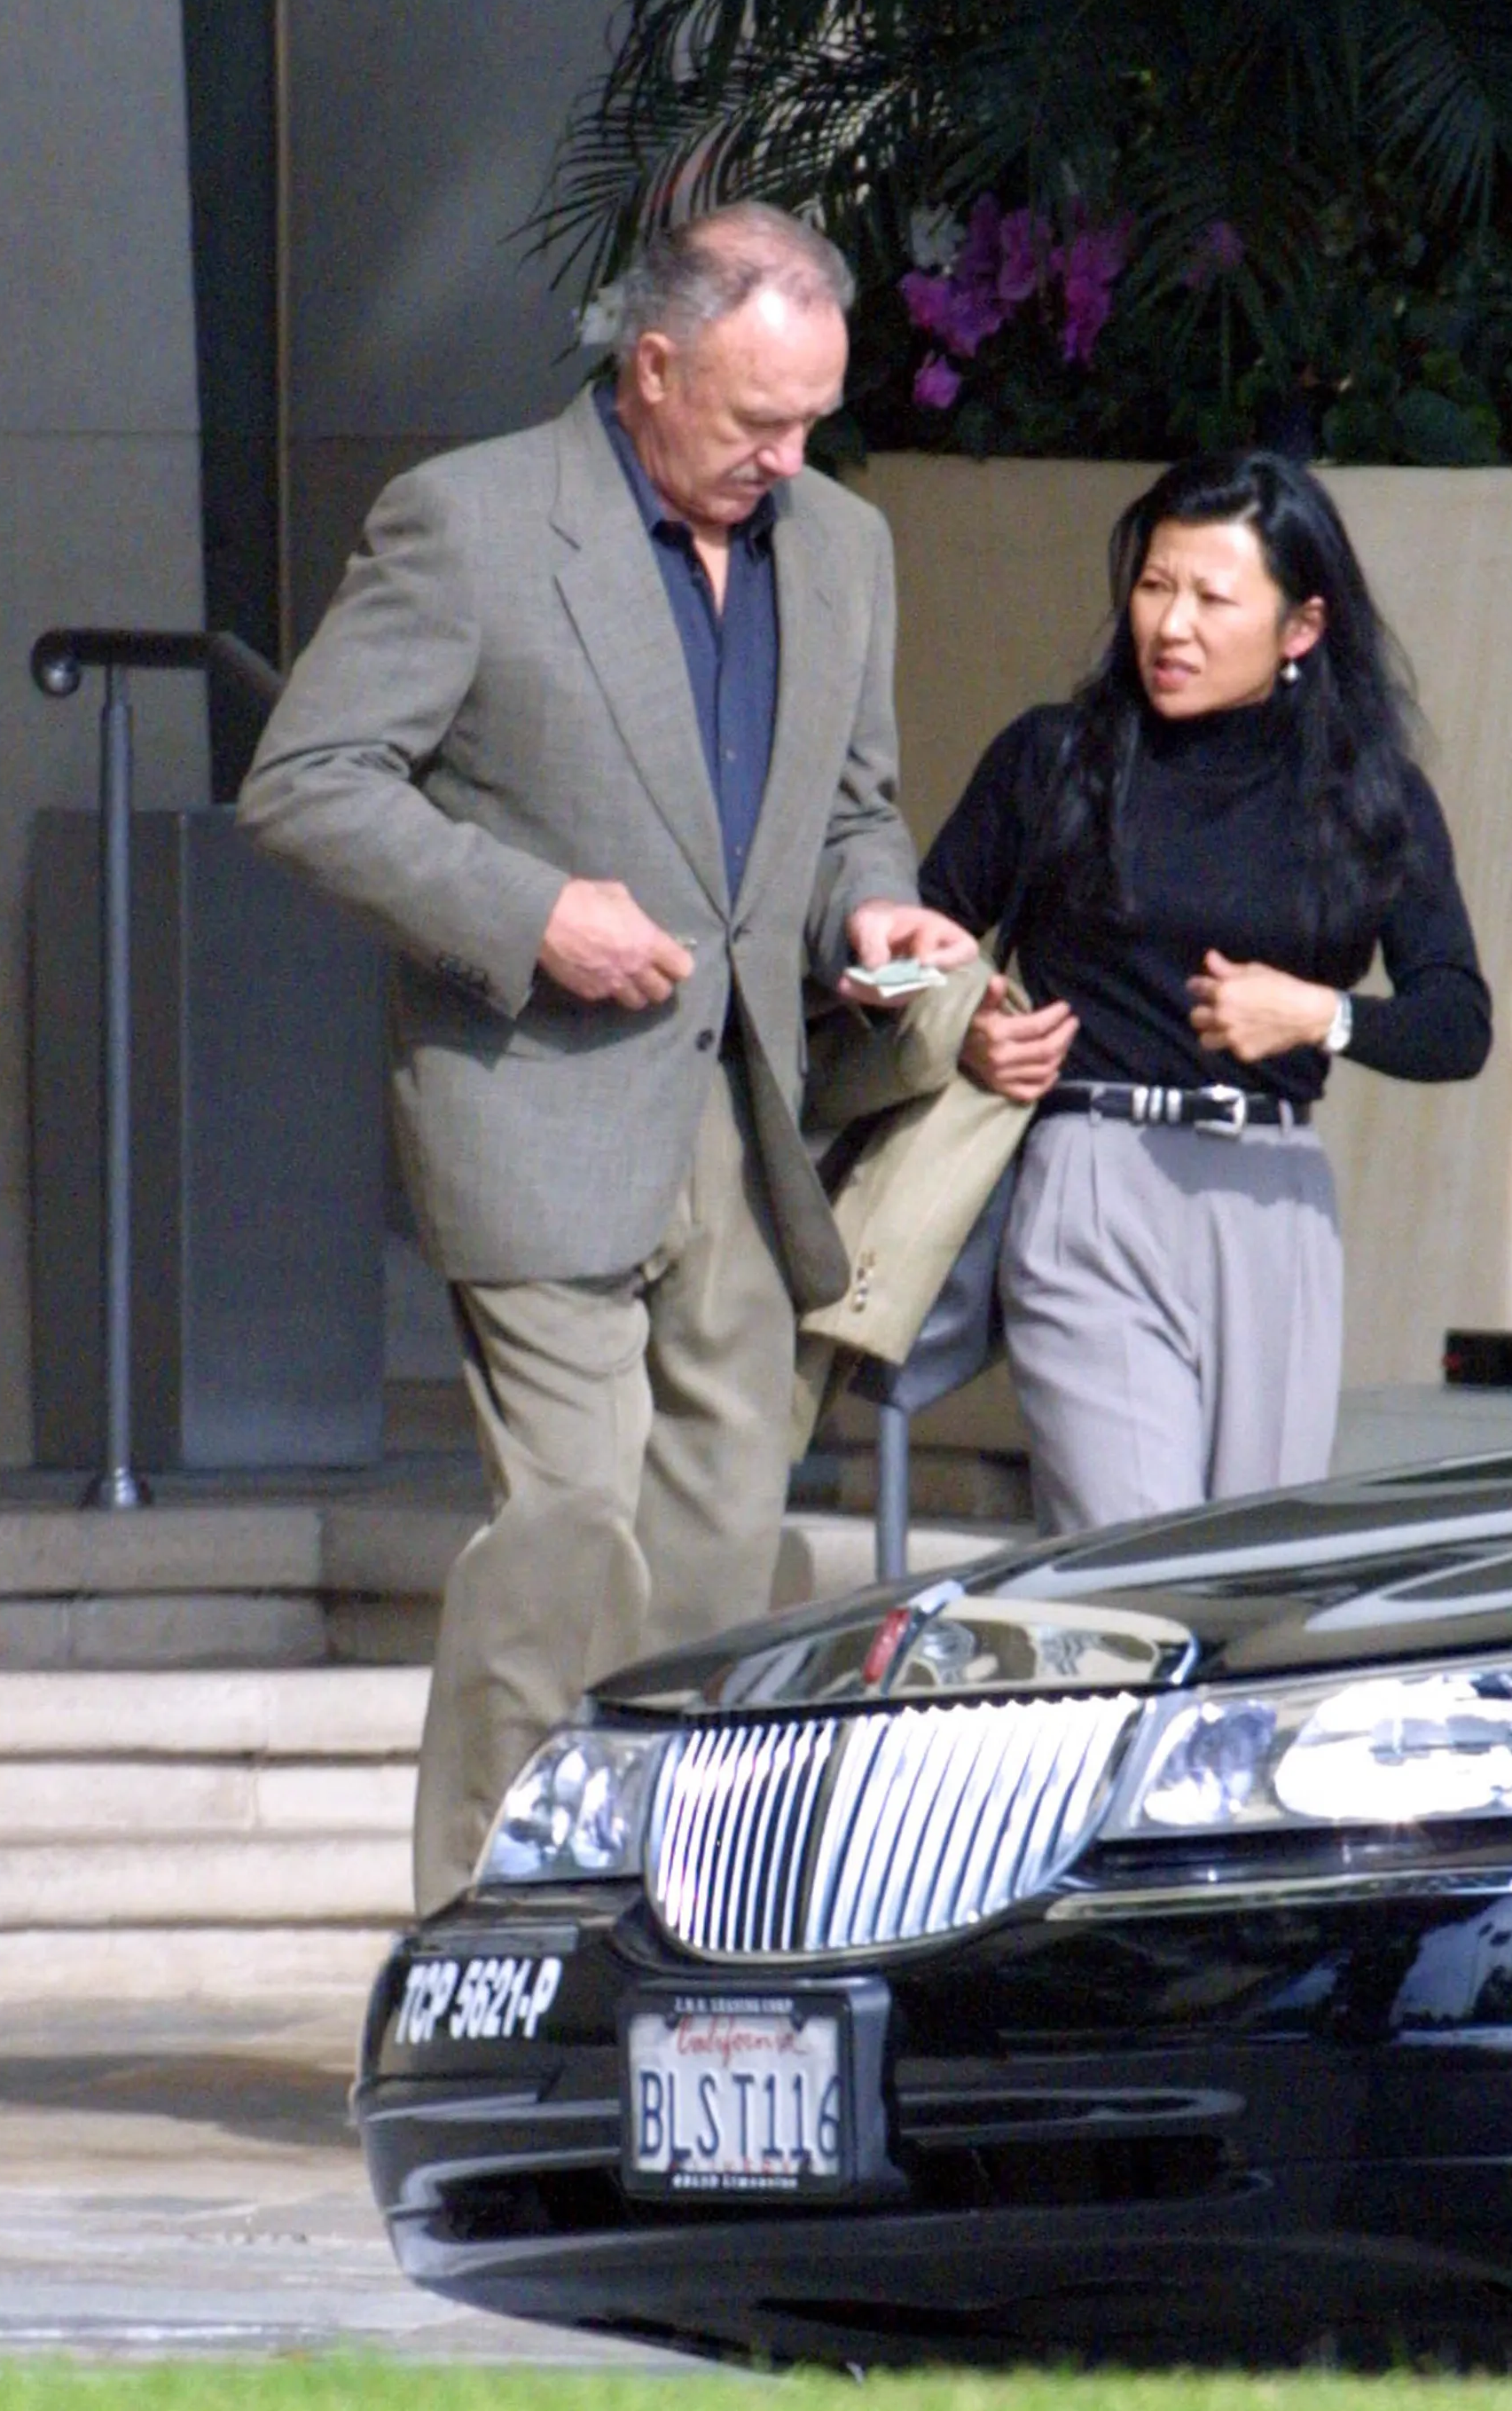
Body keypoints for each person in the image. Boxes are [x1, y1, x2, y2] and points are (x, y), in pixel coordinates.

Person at [239, 203, 973, 1912]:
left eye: (812, 422)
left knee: (716, 1553)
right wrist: (529, 910)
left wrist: (872, 908)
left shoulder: (842, 546)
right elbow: (306, 782)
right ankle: (478, 1921)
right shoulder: (471, 520)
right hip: (538, 1105)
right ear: (649, 367)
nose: (786, 460)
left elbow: (849, 809)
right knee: (572, 1525)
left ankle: (660, 1911)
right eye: (756, 421)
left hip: (750, 1112)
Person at [920, 450, 1492, 1533]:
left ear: (1300, 627)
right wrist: (965, 1029)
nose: (1170, 626)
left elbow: (1455, 1021)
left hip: (1273, 1199)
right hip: (1091, 1177)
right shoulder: (1053, 760)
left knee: (1245, 1569)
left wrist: (1317, 1014)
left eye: (1211, 598)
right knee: (1134, 1552)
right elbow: (919, 941)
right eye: (1152, 585)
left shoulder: (1369, 798)